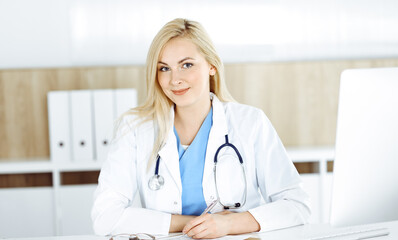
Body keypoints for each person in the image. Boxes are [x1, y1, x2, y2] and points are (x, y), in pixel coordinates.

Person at [91, 18, 310, 239]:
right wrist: (200, 224)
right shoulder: (135, 129)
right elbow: (104, 217)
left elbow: (296, 205)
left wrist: (230, 224)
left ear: (211, 65)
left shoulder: (250, 123)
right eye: (164, 68)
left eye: (187, 65)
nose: (175, 79)